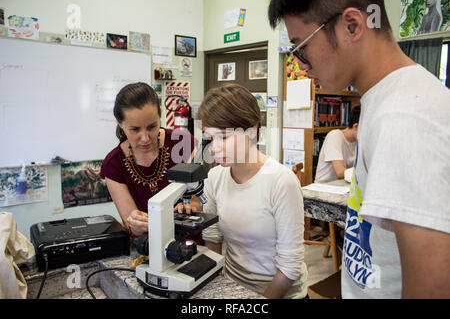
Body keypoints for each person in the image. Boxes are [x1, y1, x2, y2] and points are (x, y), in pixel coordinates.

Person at [269, 0, 450, 299]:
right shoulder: (382, 101)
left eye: (302, 47)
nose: (300, 64)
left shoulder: (404, 118)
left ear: (351, 26)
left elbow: (433, 289)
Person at [196, 84, 308, 299]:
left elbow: (290, 267)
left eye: (224, 137)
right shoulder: (214, 177)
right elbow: (212, 238)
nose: (214, 148)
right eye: (210, 138)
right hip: (232, 286)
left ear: (252, 131)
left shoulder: (281, 181)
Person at [100, 82, 201, 242]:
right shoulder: (113, 165)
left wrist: (193, 205)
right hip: (151, 250)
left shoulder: (184, 144)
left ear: (159, 117)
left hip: (194, 247)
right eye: (135, 130)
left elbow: (199, 199)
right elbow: (132, 227)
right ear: (120, 123)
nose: (145, 138)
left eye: (152, 126)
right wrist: (135, 223)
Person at [314, 105, 360, 183]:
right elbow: (340, 172)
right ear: (356, 126)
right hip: (325, 188)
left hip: (344, 187)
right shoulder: (335, 136)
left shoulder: (358, 141)